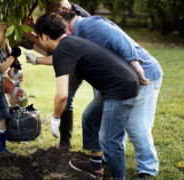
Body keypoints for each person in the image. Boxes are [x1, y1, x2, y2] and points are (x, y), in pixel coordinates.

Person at [29, 8, 164, 179]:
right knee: (90, 117)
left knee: (110, 140)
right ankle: (95, 166)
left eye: (39, 37)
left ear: (45, 37)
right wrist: (36, 59)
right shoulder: (71, 42)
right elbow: (57, 59)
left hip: (121, 87)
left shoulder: (73, 41)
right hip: (118, 83)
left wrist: (55, 119)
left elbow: (62, 95)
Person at [21, 0, 91, 149]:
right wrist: (35, 28)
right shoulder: (63, 13)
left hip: (91, 63)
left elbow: (61, 51)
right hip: (76, 57)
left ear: (61, 11)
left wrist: (30, 37)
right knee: (68, 97)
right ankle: (65, 142)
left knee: (72, 99)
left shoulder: (80, 20)